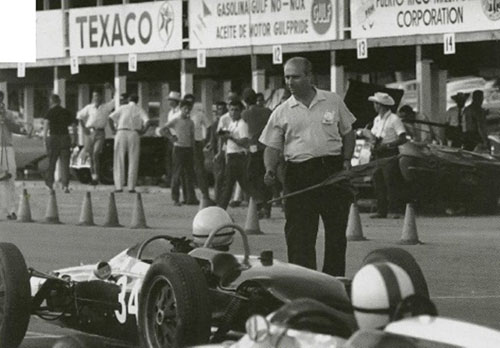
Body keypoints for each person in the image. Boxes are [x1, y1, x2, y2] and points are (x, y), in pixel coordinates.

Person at [260, 57, 356, 277]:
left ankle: (333, 280)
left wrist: (347, 161)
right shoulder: (282, 111)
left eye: (295, 76)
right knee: (299, 234)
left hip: (332, 171)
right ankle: (304, 281)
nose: (289, 82)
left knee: (335, 232)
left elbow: (348, 133)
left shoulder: (332, 101)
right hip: (298, 174)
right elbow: (272, 147)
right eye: (286, 77)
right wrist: (270, 169)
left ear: (310, 76)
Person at [361, 92, 407, 219]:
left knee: (390, 180)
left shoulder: (394, 119)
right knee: (378, 180)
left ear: (380, 105)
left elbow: (402, 138)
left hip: (388, 152)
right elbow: (376, 136)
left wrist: (388, 145)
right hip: (378, 152)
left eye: (376, 104)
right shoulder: (377, 120)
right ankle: (382, 210)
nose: (374, 106)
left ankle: (394, 209)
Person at [241, 88, 273, 218]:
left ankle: (259, 204)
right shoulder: (267, 112)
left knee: (251, 177)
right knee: (266, 177)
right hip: (267, 147)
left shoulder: (246, 114)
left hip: (254, 150)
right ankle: (267, 207)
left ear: (245, 101)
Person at [108, 94, 148, 193]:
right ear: (137, 101)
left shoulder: (122, 108)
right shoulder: (139, 109)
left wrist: (113, 129)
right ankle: (131, 187)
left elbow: (110, 118)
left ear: (129, 99)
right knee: (133, 159)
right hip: (134, 133)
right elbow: (148, 121)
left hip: (121, 131)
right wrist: (143, 131)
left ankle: (119, 186)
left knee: (119, 159)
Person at [161, 100, 196, 206]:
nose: (187, 111)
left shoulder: (191, 122)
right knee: (177, 173)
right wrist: (171, 137)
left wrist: (193, 149)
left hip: (188, 148)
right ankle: (175, 198)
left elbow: (192, 137)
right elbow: (163, 129)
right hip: (179, 148)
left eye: (189, 109)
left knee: (188, 174)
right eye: (185, 109)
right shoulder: (176, 120)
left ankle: (188, 197)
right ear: (181, 108)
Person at [217, 99, 250, 210]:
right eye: (231, 110)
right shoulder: (231, 124)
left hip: (238, 157)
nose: (233, 112)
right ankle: (259, 203)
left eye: (236, 110)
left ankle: (221, 208)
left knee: (229, 184)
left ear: (240, 111)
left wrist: (231, 138)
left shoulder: (242, 125)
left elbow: (245, 142)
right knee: (244, 183)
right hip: (231, 155)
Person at [77, 91, 114, 184]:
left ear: (101, 97)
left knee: (96, 154)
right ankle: (93, 176)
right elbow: (79, 116)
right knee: (90, 155)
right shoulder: (89, 107)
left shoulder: (106, 107)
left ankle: (96, 176)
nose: (96, 98)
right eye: (94, 96)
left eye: (97, 96)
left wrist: (111, 89)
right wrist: (84, 128)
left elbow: (115, 99)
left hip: (100, 132)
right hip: (90, 132)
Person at [183, 94, 214, 204]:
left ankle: (205, 195)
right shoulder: (182, 115)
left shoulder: (198, 114)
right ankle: (189, 197)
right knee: (187, 171)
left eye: (191, 103)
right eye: (187, 103)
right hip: (184, 144)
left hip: (196, 143)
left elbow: (209, 126)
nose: (189, 105)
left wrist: (206, 140)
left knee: (200, 170)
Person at [42, 94, 76, 193]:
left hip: (53, 138)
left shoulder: (49, 112)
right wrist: (74, 138)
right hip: (65, 137)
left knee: (52, 162)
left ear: (51, 101)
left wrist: (45, 140)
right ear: (59, 101)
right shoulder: (66, 112)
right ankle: (65, 185)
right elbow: (73, 126)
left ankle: (50, 185)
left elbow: (46, 127)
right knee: (65, 163)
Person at [0, 92, 24, 220]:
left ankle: (11, 210)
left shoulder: (8, 113)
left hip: (6, 147)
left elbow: (16, 129)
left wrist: (5, 120)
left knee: (10, 177)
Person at [206, 101, 228, 202]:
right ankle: (218, 199)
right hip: (219, 154)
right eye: (219, 109)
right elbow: (213, 140)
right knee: (219, 177)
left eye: (223, 109)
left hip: (230, 153)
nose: (222, 111)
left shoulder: (228, 122)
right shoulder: (215, 125)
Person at [162, 91, 182, 186]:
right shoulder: (170, 112)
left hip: (179, 137)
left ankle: (177, 180)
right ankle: (170, 179)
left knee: (177, 161)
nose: (169, 102)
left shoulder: (180, 112)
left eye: (170, 100)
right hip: (171, 137)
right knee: (169, 160)